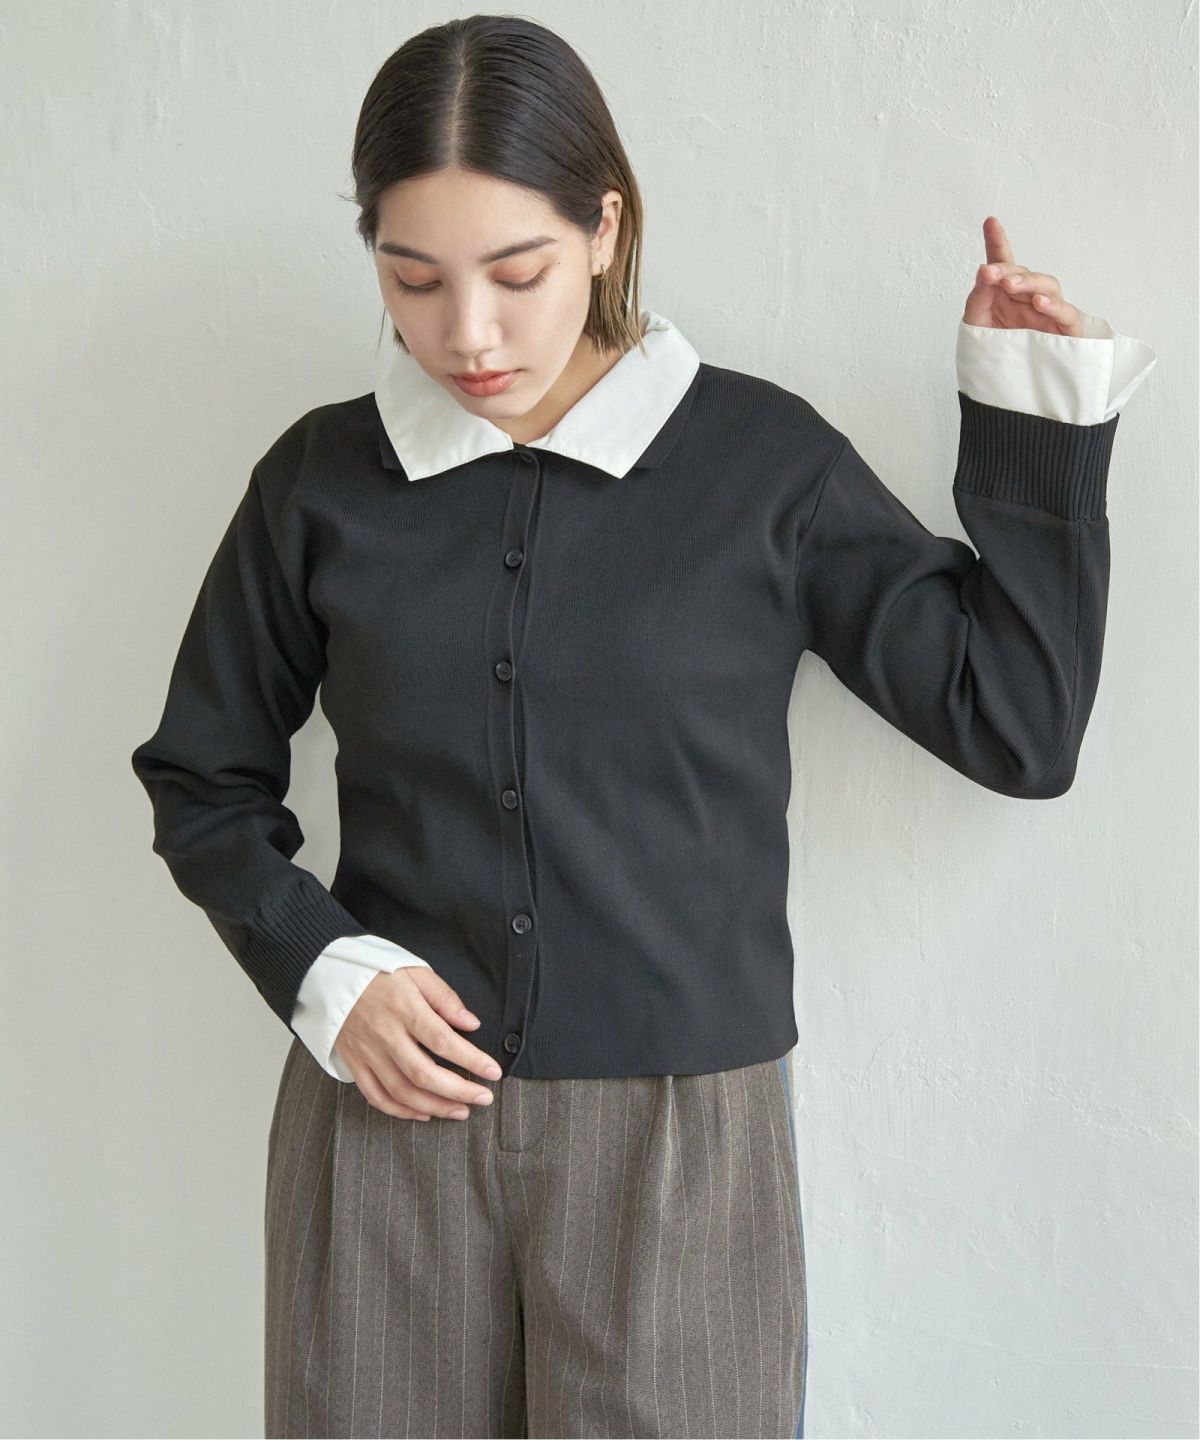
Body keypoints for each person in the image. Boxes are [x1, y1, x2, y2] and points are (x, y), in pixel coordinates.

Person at [129, 15, 1156, 1440]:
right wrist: (321, 970)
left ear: (604, 228)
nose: (466, 332)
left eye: (517, 273)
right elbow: (203, 776)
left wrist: (1032, 414)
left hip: (682, 1148)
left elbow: (1018, 727)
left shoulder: (761, 465)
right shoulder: (321, 482)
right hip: (384, 1127)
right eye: (413, 278)